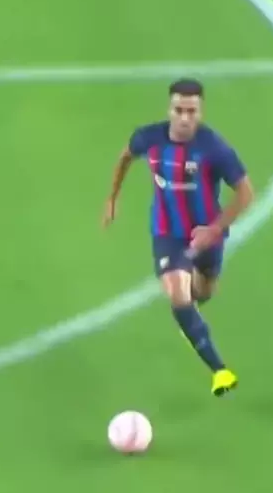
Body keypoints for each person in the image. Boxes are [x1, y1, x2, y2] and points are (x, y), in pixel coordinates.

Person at [102, 78, 254, 396]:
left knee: (202, 292)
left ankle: (189, 319)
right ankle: (220, 371)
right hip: (168, 232)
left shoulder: (214, 148)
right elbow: (125, 157)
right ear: (169, 109)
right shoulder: (149, 138)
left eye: (192, 111)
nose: (185, 118)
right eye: (179, 110)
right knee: (177, 293)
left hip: (206, 235)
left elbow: (245, 193)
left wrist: (214, 230)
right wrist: (112, 198)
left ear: (201, 112)